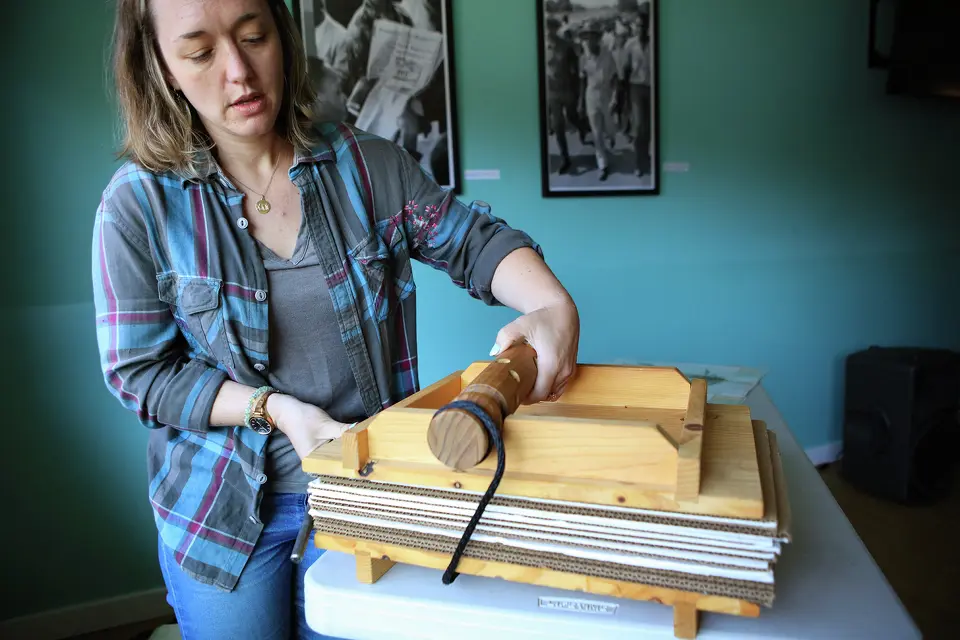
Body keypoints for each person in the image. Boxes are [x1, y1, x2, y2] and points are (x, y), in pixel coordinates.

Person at [93, 1, 580, 639]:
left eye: (253, 36)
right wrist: (276, 410)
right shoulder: (136, 205)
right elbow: (140, 373)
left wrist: (554, 306)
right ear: (160, 65)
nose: (239, 71)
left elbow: (474, 241)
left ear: (283, 37)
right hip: (217, 514)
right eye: (202, 52)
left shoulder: (367, 166)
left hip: (363, 494)